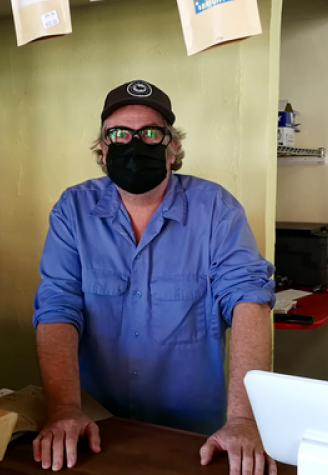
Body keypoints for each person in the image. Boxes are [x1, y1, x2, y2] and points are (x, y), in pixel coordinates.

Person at [32, 79, 277, 475]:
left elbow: (249, 302)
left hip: (193, 435)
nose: (134, 144)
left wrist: (244, 421)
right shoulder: (72, 209)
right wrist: (63, 409)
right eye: (118, 134)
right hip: (96, 426)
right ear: (102, 149)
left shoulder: (215, 208)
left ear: (172, 147)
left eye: (150, 133)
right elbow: (57, 307)